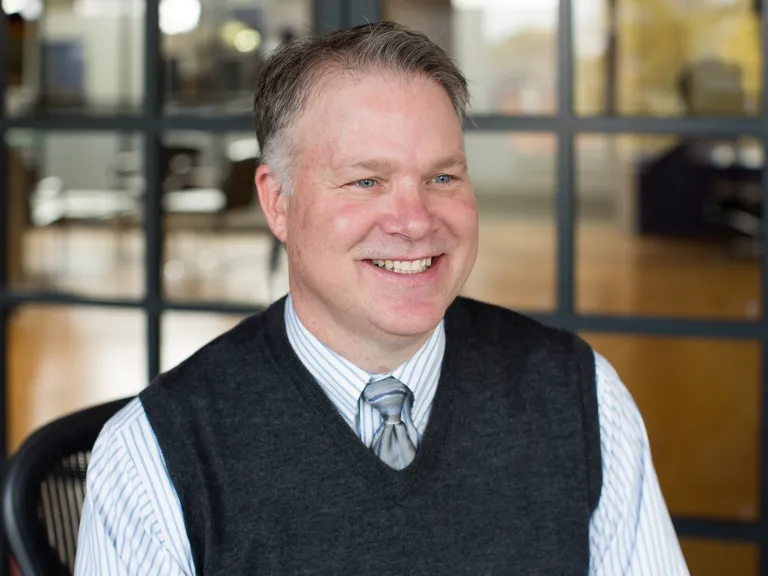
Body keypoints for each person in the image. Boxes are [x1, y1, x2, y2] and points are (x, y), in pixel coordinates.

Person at [75, 21, 689, 575]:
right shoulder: (154, 456)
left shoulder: (579, 395)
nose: (415, 221)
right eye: (366, 180)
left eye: (442, 177)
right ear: (278, 202)